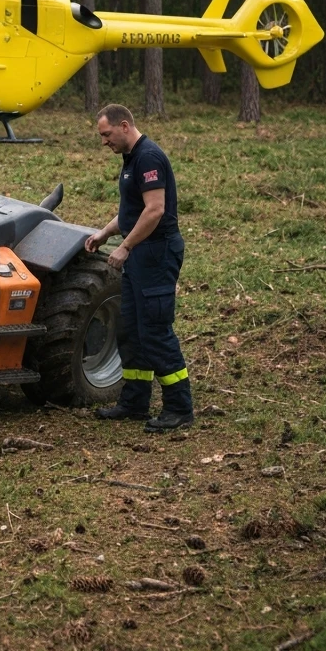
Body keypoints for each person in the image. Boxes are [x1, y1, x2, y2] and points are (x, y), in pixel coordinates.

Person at [84, 104, 193, 432]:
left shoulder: (148, 158)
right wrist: (104, 233)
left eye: (106, 134)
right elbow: (133, 212)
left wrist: (125, 246)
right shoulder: (131, 159)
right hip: (141, 255)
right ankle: (134, 402)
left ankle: (179, 408)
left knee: (155, 331)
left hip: (156, 254)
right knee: (131, 330)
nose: (104, 142)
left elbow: (155, 210)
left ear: (124, 125)